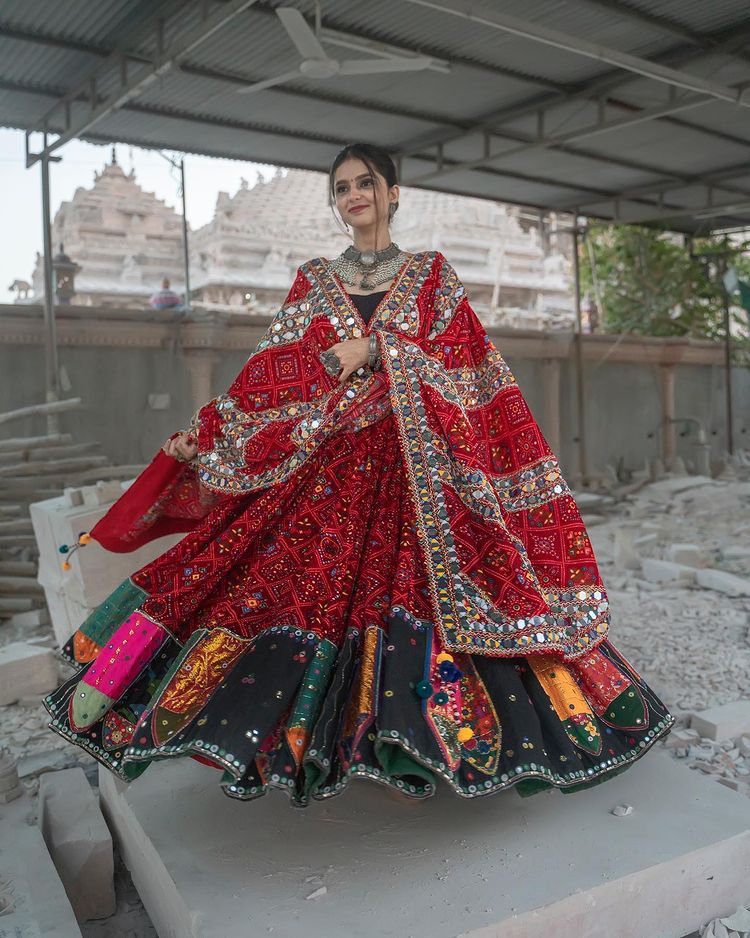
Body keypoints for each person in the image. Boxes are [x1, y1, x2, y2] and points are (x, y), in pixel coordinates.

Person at [44, 143, 674, 806]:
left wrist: (378, 348)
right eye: (341, 187)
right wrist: (214, 432)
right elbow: (272, 376)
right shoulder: (315, 280)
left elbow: (468, 368)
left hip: (421, 478)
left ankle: (428, 742)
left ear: (392, 193)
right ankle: (279, 747)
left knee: (426, 594)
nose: (353, 195)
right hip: (328, 471)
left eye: (365, 183)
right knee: (258, 579)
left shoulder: (433, 277)